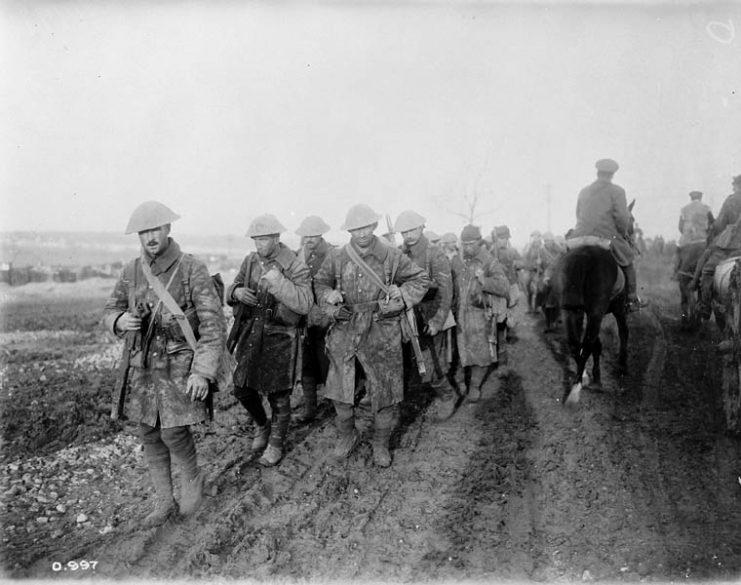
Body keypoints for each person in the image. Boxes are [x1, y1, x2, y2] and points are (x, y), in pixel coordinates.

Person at [104, 201, 227, 528]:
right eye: (143, 232)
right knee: (148, 431)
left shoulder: (191, 268)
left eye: (155, 229)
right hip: (144, 367)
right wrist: (119, 320)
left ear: (168, 229)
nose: (150, 238)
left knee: (173, 431)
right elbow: (110, 308)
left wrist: (203, 371)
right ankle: (163, 501)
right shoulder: (131, 271)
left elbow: (213, 323)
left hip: (180, 365)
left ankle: (192, 480)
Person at [313, 204, 430, 467]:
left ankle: (380, 444)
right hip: (346, 327)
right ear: (349, 230)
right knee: (339, 389)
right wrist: (328, 297)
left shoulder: (391, 255)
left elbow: (420, 280)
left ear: (374, 226)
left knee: (384, 391)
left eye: (366, 226)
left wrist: (402, 297)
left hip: (382, 328)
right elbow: (319, 283)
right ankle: (347, 436)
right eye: (356, 228)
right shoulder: (338, 256)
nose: (362, 233)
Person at [226, 214, 312, 466]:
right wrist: (237, 292)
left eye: (263, 239)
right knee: (242, 387)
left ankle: (275, 443)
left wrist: (277, 281)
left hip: (280, 335)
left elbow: (305, 303)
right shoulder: (251, 261)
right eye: (255, 239)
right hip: (252, 332)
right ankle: (262, 425)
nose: (258, 245)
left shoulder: (294, 265)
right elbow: (235, 285)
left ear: (276, 238)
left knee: (279, 395)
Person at [395, 210, 458, 421]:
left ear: (422, 227)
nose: (409, 235)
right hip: (406, 314)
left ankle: (447, 396)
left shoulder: (435, 253)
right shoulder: (399, 254)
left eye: (412, 229)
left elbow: (446, 290)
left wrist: (437, 320)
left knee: (432, 360)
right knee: (410, 360)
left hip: (430, 313)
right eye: (404, 231)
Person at [569, 158, 645, 312]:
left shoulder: (584, 191)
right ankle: (631, 299)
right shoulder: (617, 191)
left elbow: (578, 214)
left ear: (598, 173)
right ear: (612, 175)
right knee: (629, 259)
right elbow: (623, 218)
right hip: (606, 235)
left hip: (580, 236)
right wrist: (622, 234)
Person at [450, 225, 510, 402]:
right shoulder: (456, 261)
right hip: (460, 313)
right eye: (465, 244)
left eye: (471, 244)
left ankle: (475, 386)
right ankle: (462, 379)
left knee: (481, 352)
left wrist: (485, 280)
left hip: (480, 315)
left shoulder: (489, 260)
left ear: (479, 242)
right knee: (461, 350)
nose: (468, 248)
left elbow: (504, 286)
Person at [294, 215, 334, 422]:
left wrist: (327, 313)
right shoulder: (298, 256)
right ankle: (310, 406)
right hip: (305, 318)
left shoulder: (333, 254)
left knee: (329, 361)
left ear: (321, 234)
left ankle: (337, 406)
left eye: (313, 235)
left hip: (328, 318)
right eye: (305, 235)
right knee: (306, 364)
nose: (308, 239)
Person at [691, 175, 741, 318]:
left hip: (733, 245)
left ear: (738, 185)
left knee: (707, 271)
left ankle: (705, 306)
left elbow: (720, 224)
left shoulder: (732, 200)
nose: (733, 187)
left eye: (734, 185)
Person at [673, 191, 712, 278]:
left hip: (688, 239)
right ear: (701, 198)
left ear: (691, 198)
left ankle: (676, 271)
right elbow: (711, 223)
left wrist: (686, 234)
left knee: (678, 251)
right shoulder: (707, 208)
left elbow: (680, 226)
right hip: (703, 239)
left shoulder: (684, 209)